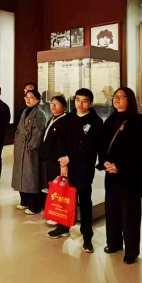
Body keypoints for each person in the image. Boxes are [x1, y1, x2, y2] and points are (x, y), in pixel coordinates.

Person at [97, 87, 142, 264]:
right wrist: (104, 162)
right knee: (112, 210)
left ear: (130, 100)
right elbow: (102, 145)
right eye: (116, 96)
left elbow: (139, 152)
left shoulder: (138, 123)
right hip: (111, 174)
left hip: (130, 176)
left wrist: (119, 166)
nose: (117, 99)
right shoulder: (110, 120)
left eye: (122, 96)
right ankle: (113, 243)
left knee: (130, 214)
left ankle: (131, 251)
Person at [48, 88, 102, 250]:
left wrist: (69, 158)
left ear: (91, 103)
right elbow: (60, 141)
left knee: (84, 201)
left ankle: (87, 235)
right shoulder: (68, 118)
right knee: (65, 197)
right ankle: (63, 226)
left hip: (84, 168)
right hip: (67, 167)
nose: (80, 104)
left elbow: (89, 146)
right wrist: (63, 164)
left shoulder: (96, 121)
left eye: (84, 101)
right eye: (77, 100)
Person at [12, 89, 47, 214]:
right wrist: (17, 141)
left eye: (31, 97)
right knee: (21, 175)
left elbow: (39, 132)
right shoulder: (25, 111)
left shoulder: (40, 114)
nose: (28, 99)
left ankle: (34, 206)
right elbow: (19, 128)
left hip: (30, 149)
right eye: (26, 97)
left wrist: (31, 146)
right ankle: (24, 201)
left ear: (37, 100)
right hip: (21, 146)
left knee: (31, 177)